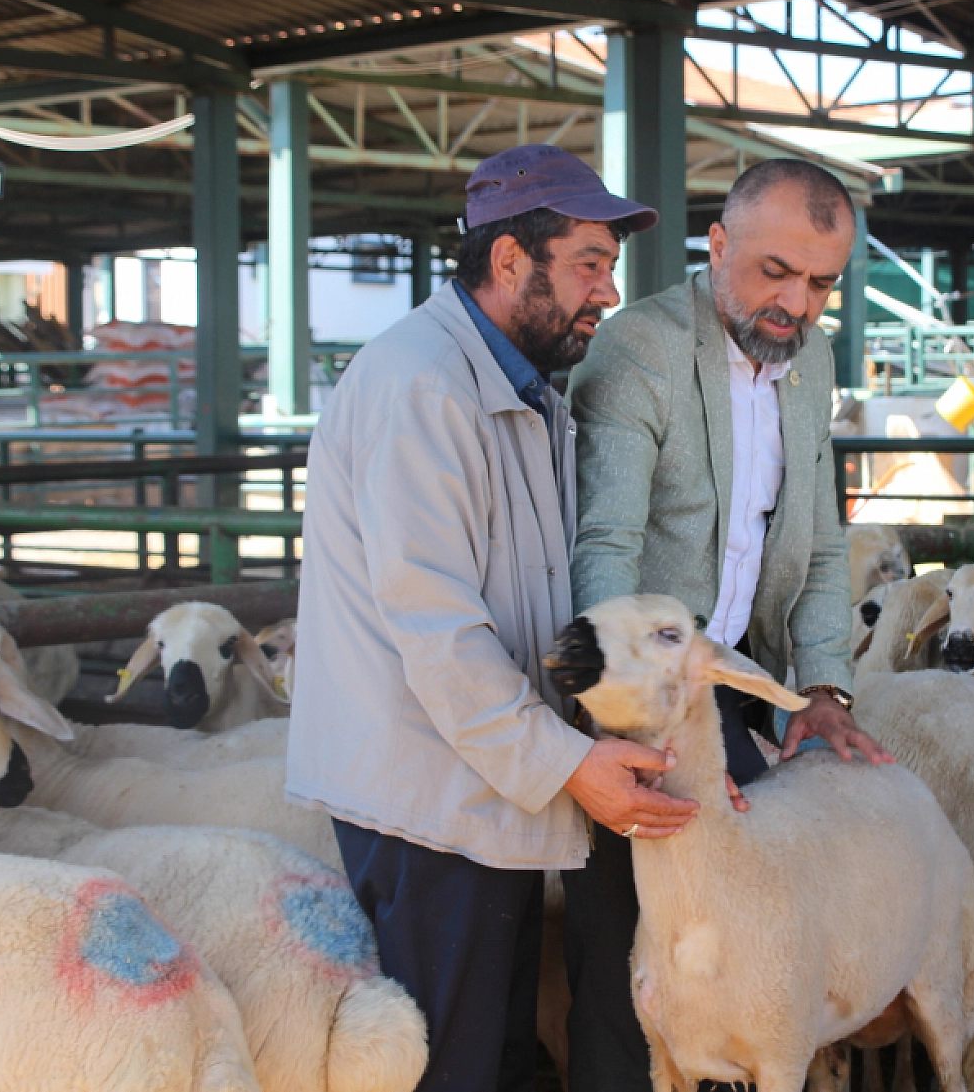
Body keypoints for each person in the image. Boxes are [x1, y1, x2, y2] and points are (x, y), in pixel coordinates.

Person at [287, 144, 702, 1092]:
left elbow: (528, 588)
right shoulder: (423, 388)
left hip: (483, 787)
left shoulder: (517, 386)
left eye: (610, 266)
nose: (608, 289)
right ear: (511, 260)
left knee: (500, 1054)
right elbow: (438, 628)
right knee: (453, 1067)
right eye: (590, 263)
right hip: (429, 805)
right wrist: (568, 764)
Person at [565, 157, 893, 1092]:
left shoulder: (812, 359)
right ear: (717, 247)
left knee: (749, 949)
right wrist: (621, 720)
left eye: (822, 282)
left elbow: (824, 540)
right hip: (642, 705)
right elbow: (607, 544)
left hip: (737, 688)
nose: (797, 301)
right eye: (774, 271)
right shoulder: (641, 350)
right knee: (629, 971)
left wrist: (824, 688)